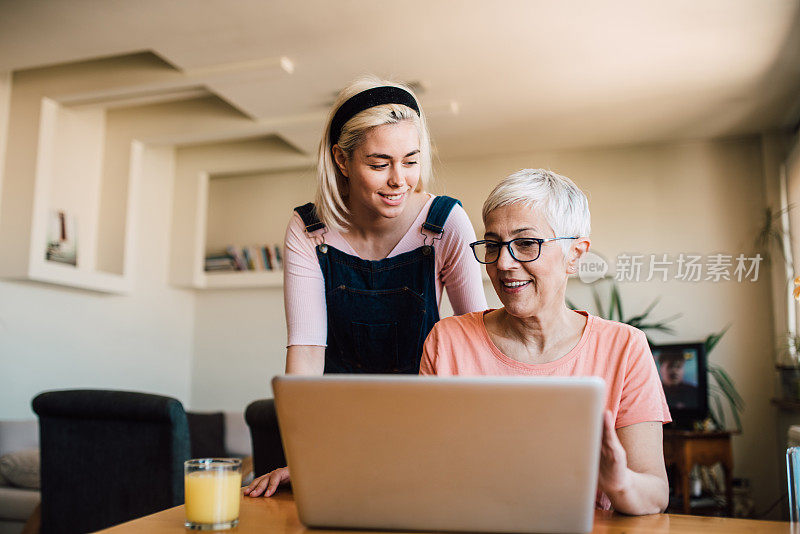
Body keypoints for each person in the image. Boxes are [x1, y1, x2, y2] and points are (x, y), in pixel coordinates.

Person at [244, 77, 487, 497]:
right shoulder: (310, 230)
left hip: (429, 424)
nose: (399, 180)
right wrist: (301, 458)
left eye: (411, 161)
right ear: (341, 159)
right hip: (339, 429)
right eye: (379, 164)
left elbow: (475, 342)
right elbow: (305, 352)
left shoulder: (444, 223)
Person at [420, 169, 671, 515]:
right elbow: (426, 477)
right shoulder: (448, 341)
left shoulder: (624, 347)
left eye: (526, 243)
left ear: (575, 254)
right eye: (493, 245)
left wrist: (618, 481)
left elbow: (655, 494)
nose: (504, 264)